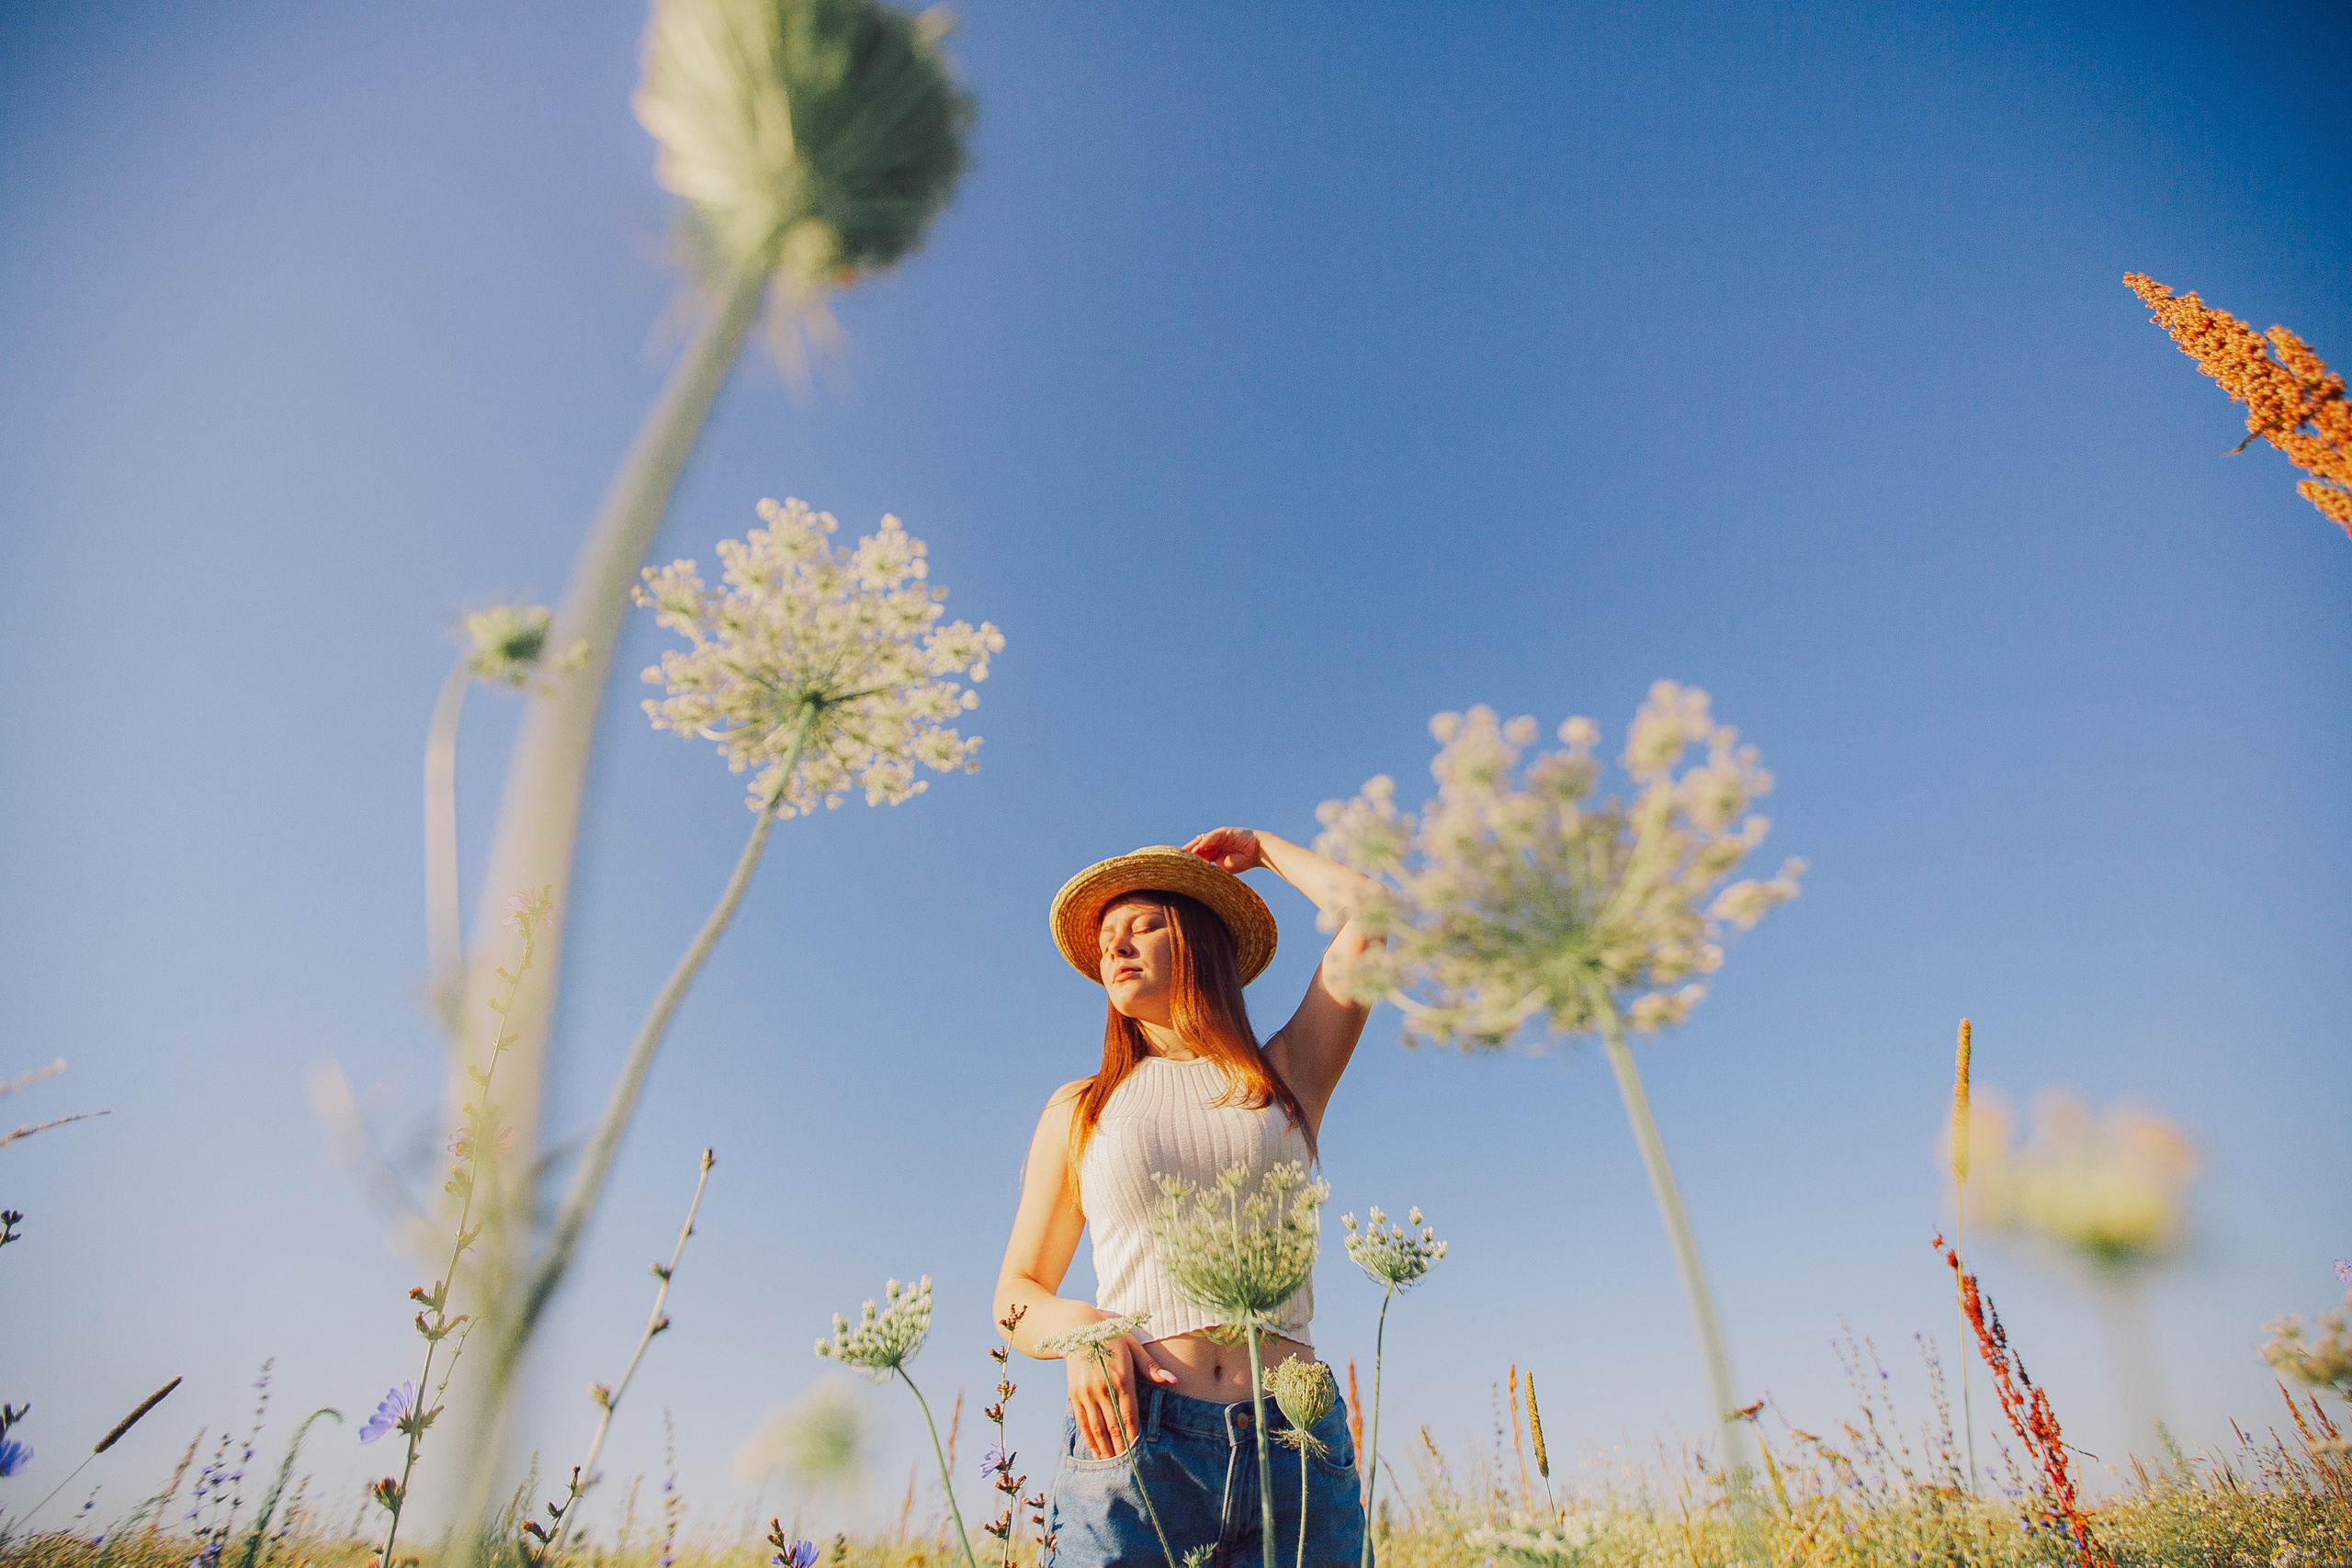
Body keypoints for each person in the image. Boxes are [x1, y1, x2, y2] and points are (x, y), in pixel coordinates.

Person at [994, 828, 1382, 1568]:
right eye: (1107, 938)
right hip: (1140, 1444)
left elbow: (1372, 918)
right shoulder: (1080, 1108)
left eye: (1143, 926)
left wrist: (1264, 850)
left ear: (1199, 943)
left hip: (1296, 1449)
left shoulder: (1286, 1076)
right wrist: (1080, 1329)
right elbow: (1016, 1293)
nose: (1117, 947)